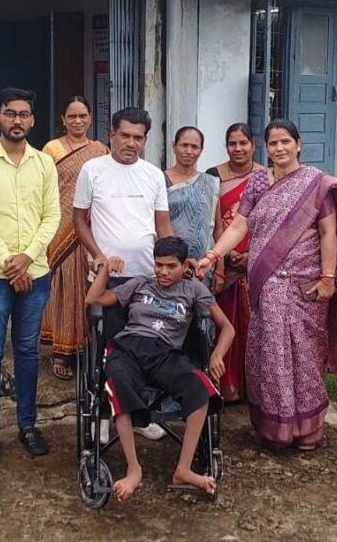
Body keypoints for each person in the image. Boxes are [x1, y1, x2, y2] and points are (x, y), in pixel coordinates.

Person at [198, 119, 337, 450]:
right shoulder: (258, 182)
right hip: (267, 284)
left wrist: (328, 278)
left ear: (299, 145)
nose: (280, 148)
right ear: (267, 149)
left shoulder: (316, 184)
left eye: (286, 141)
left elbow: (328, 232)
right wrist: (213, 255)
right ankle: (275, 430)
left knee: (305, 356)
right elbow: (239, 225)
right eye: (273, 143)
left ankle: (308, 431)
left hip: (306, 284)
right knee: (270, 354)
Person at [85, 236, 235, 502]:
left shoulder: (193, 289)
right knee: (119, 384)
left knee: (202, 388)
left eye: (171, 266)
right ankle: (133, 469)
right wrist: (105, 269)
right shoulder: (140, 284)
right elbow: (93, 299)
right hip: (128, 348)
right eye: (159, 265)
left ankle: (183, 469)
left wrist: (216, 355)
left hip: (166, 353)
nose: (163, 272)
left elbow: (228, 328)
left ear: (184, 266)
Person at [0, 87, 60, 463]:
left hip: (35, 274)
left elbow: (51, 216)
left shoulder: (44, 164)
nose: (17, 120)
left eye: (23, 114)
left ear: (32, 121)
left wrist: (28, 258)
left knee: (26, 351)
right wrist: (10, 261)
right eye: (10, 113)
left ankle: (27, 425)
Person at [73, 106, 173, 440]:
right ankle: (103, 416)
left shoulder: (153, 175)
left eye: (138, 138)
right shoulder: (93, 170)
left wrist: (176, 261)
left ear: (145, 140)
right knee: (107, 351)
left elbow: (162, 226)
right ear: (112, 134)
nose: (131, 143)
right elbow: (79, 221)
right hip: (108, 282)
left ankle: (140, 416)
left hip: (147, 281)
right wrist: (98, 256)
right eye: (125, 135)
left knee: (145, 348)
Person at [41, 96, 109, 380]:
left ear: (90, 118)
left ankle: (88, 346)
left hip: (93, 227)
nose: (77, 121)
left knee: (89, 284)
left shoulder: (101, 150)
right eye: (72, 116)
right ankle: (62, 351)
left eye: (82, 116)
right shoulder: (51, 149)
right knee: (65, 285)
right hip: (61, 227)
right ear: (63, 119)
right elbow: (43, 187)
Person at [206, 123, 264, 402]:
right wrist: (222, 258)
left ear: (253, 145)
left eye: (243, 143)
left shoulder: (266, 177)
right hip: (224, 264)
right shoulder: (213, 176)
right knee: (224, 323)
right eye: (232, 143)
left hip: (258, 263)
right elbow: (211, 222)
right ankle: (225, 386)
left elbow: (269, 223)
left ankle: (255, 388)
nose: (238, 148)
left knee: (255, 325)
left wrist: (251, 255)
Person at [165, 126, 223, 285]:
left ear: (201, 150)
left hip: (202, 268)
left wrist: (220, 267)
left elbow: (217, 229)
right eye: (184, 145)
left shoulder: (210, 183)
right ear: (174, 146)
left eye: (194, 147)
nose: (189, 151)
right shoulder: (159, 180)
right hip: (168, 265)